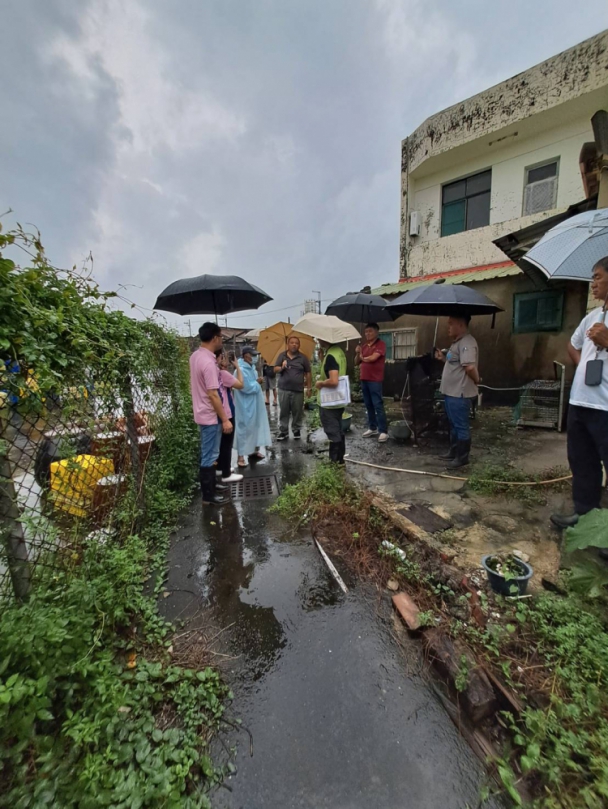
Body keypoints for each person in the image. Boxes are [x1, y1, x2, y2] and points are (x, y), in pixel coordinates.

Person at [551, 256, 608, 541]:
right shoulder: (593, 316)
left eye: (597, 277)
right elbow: (574, 345)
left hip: (606, 408)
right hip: (581, 403)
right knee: (582, 462)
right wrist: (585, 366)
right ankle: (585, 515)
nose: (593, 283)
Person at [189, 322, 233, 505]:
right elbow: (213, 394)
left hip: (203, 412)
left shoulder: (196, 356)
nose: (222, 340)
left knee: (212, 453)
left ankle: (213, 485)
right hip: (210, 415)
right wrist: (225, 419)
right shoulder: (207, 362)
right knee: (209, 454)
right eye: (221, 336)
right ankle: (208, 496)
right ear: (215, 338)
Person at [434, 314, 479, 469]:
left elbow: (470, 367)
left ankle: (462, 457)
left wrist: (478, 380)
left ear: (460, 324)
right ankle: (453, 451)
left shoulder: (467, 342)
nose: (448, 327)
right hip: (450, 392)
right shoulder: (456, 343)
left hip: (459, 394)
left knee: (460, 426)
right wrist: (442, 358)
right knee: (453, 424)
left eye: (451, 323)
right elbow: (455, 362)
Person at [233, 345, 272, 468]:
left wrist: (257, 381)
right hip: (245, 405)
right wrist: (257, 382)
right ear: (246, 356)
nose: (255, 357)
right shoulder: (239, 370)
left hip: (254, 403)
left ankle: (253, 451)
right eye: (253, 355)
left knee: (255, 426)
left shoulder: (252, 369)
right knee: (244, 429)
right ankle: (240, 456)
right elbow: (245, 387)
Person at [355, 323, 388, 443]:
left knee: (378, 405)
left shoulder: (381, 344)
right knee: (368, 405)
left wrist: (363, 357)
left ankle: (383, 431)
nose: (367, 334)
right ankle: (372, 427)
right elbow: (356, 362)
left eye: (370, 331)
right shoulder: (363, 346)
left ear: (376, 332)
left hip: (375, 380)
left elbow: (373, 358)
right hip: (364, 379)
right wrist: (358, 352)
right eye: (366, 332)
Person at [315, 340, 347, 464]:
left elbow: (333, 381)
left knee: (333, 432)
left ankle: (334, 463)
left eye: (319, 338)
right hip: (339, 400)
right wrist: (323, 358)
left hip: (329, 402)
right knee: (338, 430)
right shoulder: (339, 352)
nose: (318, 340)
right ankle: (340, 460)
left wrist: (320, 383)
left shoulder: (331, 356)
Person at [274, 335, 312, 441]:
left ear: (299, 345)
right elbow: (275, 369)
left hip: (298, 390)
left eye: (296, 343)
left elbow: (308, 372)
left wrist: (309, 388)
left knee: (297, 411)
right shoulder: (282, 356)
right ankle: (283, 431)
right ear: (288, 344)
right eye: (292, 342)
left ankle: (296, 430)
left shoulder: (303, 358)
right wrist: (282, 367)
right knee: (284, 411)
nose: (294, 344)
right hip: (283, 389)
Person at [216, 349, 244, 484]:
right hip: (227, 412)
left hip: (220, 411)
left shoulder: (215, 373)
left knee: (222, 443)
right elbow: (240, 384)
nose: (226, 360)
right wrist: (237, 367)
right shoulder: (223, 374)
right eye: (224, 357)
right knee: (227, 443)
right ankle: (226, 474)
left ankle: (221, 467)